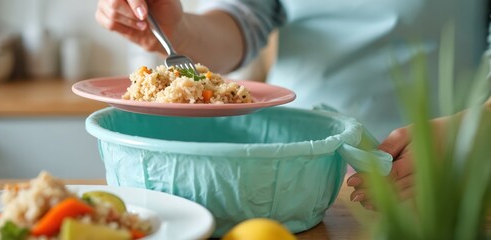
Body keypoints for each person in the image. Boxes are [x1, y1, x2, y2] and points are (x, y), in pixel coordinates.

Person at [94, 0, 487, 208]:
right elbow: (244, 19)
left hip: (446, 167)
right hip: (294, 173)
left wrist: (474, 131)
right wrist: (175, 30)